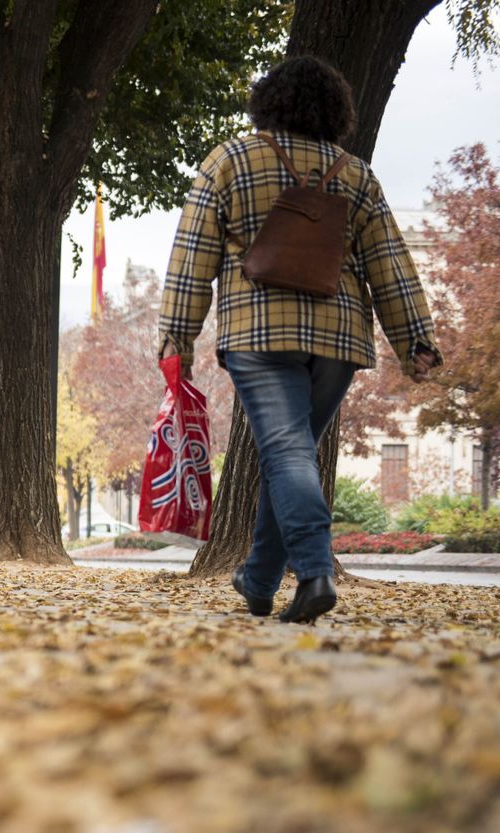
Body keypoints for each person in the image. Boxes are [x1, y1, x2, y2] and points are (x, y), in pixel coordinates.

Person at [158, 56, 442, 624]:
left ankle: (314, 573)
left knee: (286, 452)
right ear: (335, 110)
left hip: (258, 332)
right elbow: (389, 261)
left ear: (269, 101)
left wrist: (176, 339)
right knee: (290, 455)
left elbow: (192, 260)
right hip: (337, 339)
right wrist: (415, 338)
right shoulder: (356, 175)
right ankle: (258, 580)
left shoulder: (230, 160)